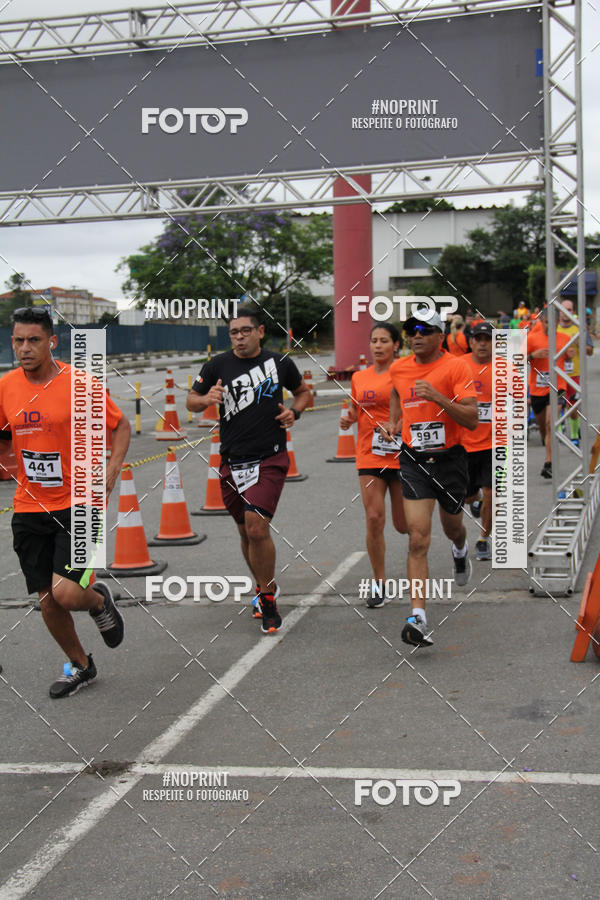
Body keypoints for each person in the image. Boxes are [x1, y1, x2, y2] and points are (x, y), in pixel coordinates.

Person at [0, 307, 130, 698]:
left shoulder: (80, 385)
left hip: (80, 502)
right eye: (18, 340)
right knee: (47, 600)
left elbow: (120, 426)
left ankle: (97, 600)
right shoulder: (5, 386)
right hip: (28, 505)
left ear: (52, 342)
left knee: (68, 594)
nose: (25, 348)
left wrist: (110, 472)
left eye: (34, 340)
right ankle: (81, 665)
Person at [186, 307, 311, 634]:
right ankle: (261, 585)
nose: (239, 337)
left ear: (260, 331)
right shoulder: (218, 365)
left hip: (269, 457)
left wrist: (294, 413)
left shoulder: (279, 363)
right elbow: (191, 400)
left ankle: (268, 598)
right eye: (233, 333)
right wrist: (206, 399)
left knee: (257, 527)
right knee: (245, 530)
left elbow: (304, 393)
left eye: (245, 331)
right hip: (232, 459)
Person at [384, 308, 478, 647]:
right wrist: (396, 421)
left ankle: (460, 547)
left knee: (452, 525)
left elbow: (471, 418)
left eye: (425, 329)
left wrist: (438, 397)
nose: (416, 335)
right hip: (413, 460)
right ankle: (418, 616)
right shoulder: (399, 367)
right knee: (418, 538)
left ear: (441, 336)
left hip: (450, 459)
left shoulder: (456, 366)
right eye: (411, 330)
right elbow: (396, 390)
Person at [340, 324, 407, 608]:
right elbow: (356, 409)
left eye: (384, 341)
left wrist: (397, 425)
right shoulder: (359, 377)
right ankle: (380, 583)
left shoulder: (405, 373)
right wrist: (349, 419)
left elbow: (415, 408)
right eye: (374, 341)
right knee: (374, 518)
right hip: (369, 454)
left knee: (404, 525)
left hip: (403, 454)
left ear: (396, 345)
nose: (378, 346)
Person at [527, 310, 574, 478]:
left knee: (550, 423)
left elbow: (568, 362)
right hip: (537, 389)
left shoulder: (564, 339)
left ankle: (549, 463)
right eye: (547, 323)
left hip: (558, 386)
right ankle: (545, 439)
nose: (550, 326)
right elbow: (516, 359)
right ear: (542, 322)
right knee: (543, 428)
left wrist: (569, 357)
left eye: (554, 323)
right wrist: (533, 355)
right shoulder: (532, 338)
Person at [462, 322, 495, 561]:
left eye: (488, 339)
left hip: (494, 444)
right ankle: (476, 501)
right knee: (469, 496)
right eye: (479, 338)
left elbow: (516, 401)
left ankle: (483, 538)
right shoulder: (459, 366)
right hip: (464, 444)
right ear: (471, 342)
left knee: (492, 493)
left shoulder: (505, 369)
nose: (483, 343)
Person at [557, 298, 594, 445]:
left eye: (569, 310)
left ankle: (573, 435)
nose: (566, 313)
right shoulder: (554, 328)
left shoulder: (579, 329)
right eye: (563, 310)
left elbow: (590, 351)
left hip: (574, 374)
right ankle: (558, 432)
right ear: (560, 312)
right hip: (557, 374)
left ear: (573, 312)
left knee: (572, 407)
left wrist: (581, 344)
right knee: (557, 405)